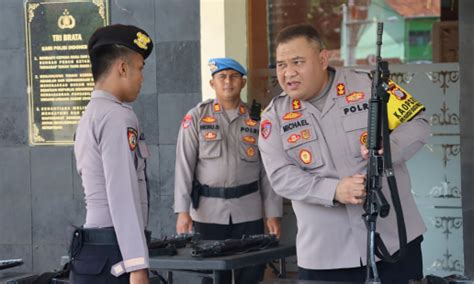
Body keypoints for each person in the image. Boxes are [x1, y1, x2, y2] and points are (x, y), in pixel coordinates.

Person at [258, 24, 430, 283]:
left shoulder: (370, 85)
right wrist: (334, 191)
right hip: (326, 256)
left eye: (297, 62)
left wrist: (388, 149)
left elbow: (418, 123)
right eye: (281, 65)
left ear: (323, 58)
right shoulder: (274, 116)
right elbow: (281, 176)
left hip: (394, 243)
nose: (288, 73)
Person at [174, 57, 283, 284]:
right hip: (208, 214)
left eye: (233, 76)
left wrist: (273, 213)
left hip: (249, 212)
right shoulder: (197, 117)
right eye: (221, 77)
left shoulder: (259, 119)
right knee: (213, 277)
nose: (228, 82)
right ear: (212, 83)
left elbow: (268, 170)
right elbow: (184, 166)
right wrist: (182, 212)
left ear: (242, 83)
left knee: (252, 274)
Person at [71, 24, 153, 284]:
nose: (141, 77)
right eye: (140, 68)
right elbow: (122, 192)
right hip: (115, 252)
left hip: (93, 252)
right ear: (122, 68)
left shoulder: (90, 115)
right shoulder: (117, 116)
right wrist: (137, 263)